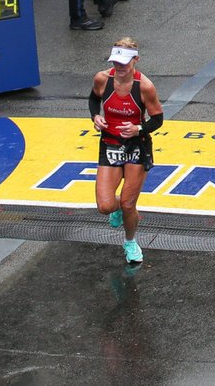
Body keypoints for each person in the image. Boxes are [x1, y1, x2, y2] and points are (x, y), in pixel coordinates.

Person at [90, 37, 162, 266]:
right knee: (105, 206)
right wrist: (95, 116)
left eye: (124, 64)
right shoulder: (103, 79)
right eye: (116, 63)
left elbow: (158, 119)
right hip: (110, 144)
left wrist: (138, 127)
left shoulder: (145, 87)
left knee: (129, 205)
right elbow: (93, 99)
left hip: (136, 147)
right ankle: (120, 207)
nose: (119, 68)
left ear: (136, 60)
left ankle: (130, 242)